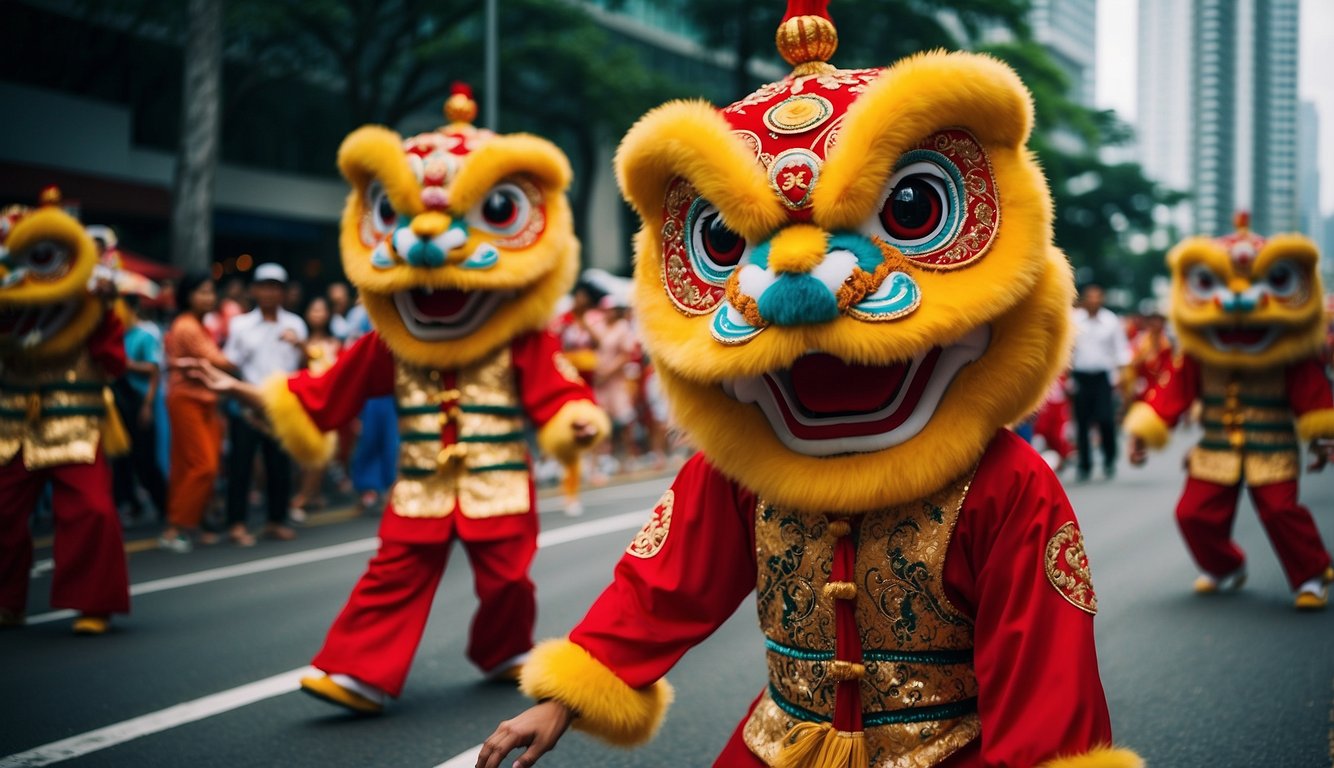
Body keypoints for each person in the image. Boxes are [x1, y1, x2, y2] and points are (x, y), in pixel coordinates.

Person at [477, 8, 1134, 767]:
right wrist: (564, 699)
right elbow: (661, 586)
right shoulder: (742, 472)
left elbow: (1045, 682)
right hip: (774, 749)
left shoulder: (1007, 488)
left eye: (912, 209)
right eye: (723, 240)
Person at [185, 86, 608, 714]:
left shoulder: (521, 335)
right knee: (393, 574)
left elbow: (559, 391)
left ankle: (502, 650)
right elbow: (324, 393)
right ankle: (359, 672)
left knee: (509, 582)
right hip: (420, 484)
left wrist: (575, 423)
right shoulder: (392, 340)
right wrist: (247, 389)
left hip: (499, 481)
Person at [1125, 215, 1334, 609]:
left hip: (1271, 444)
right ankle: (1226, 566)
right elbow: (1171, 395)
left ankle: (1311, 574)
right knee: (1193, 515)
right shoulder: (1198, 350)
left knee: (1281, 512)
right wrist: (1142, 433)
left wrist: (1323, 438)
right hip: (1216, 447)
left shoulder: (1291, 350)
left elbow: (1314, 396)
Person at [0, 188, 130, 635]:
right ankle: (5, 603)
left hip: (73, 422)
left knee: (92, 509)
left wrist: (106, 311)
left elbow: (115, 362)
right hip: (10, 423)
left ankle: (94, 602)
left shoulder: (91, 304)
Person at [222, 263, 307, 542]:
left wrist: (300, 345)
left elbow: (307, 366)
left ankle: (276, 519)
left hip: (281, 406)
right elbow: (230, 364)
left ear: (284, 292)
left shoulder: (295, 324)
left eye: (276, 287)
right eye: (265, 286)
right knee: (241, 465)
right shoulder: (241, 324)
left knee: (279, 465)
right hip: (248, 404)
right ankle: (236, 523)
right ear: (254, 290)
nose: (270, 292)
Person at [160, 274, 237, 551]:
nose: (209, 297)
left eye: (211, 292)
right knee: (204, 466)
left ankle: (183, 524)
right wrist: (246, 355)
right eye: (202, 292)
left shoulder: (197, 325)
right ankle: (178, 526)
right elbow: (218, 361)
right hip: (188, 400)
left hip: (201, 400)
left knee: (187, 465)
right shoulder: (187, 326)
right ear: (188, 295)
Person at [111, 293, 169, 522]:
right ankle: (130, 504)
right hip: (120, 403)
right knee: (122, 458)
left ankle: (163, 504)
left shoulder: (145, 335)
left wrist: (147, 406)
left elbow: (155, 371)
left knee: (145, 458)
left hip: (141, 402)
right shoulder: (116, 335)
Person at [1070, 284, 1132, 481]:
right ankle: (1084, 464)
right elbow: (1067, 350)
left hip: (1103, 378)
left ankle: (1109, 458)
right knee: (1082, 422)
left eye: (1098, 297)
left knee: (1105, 419)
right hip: (1080, 376)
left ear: (1102, 300)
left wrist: (1122, 378)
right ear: (1085, 299)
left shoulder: (1110, 321)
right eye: (1091, 297)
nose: (1094, 301)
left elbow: (1121, 350)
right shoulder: (1074, 320)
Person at [345, 298, 398, 512]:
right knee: (368, 438)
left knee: (392, 441)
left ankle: (391, 488)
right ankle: (367, 488)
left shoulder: (398, 306)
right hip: (369, 389)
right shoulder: (358, 315)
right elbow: (352, 349)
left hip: (394, 389)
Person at [291, 296, 342, 515]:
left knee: (322, 450)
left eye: (322, 310)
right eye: (313, 309)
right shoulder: (300, 342)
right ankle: (309, 493)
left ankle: (307, 495)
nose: (318, 314)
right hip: (304, 401)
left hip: (327, 401)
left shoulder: (334, 343)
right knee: (305, 450)